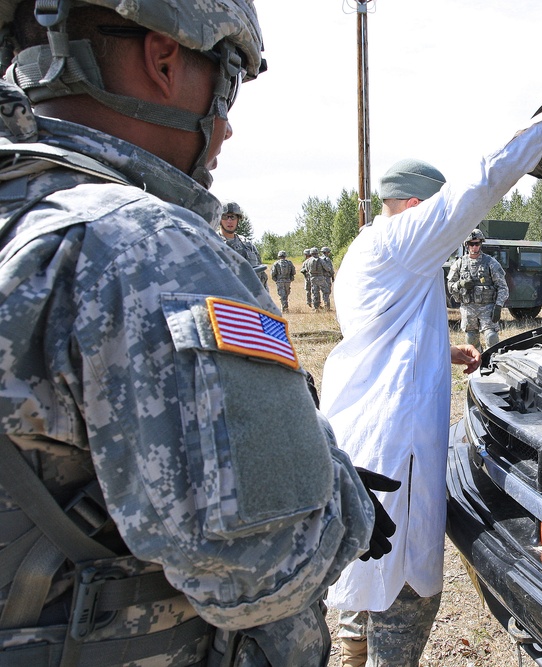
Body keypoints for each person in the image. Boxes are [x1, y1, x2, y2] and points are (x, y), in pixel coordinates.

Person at [0, 1, 395, 664]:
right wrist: (343, 499)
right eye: (229, 79)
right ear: (163, 59)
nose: (229, 126)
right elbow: (263, 571)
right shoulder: (143, 246)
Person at [320, 63, 542, 667]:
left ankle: (354, 652)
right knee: (405, 592)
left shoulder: (370, 248)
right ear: (411, 205)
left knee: (365, 574)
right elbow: (481, 182)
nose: (445, 222)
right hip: (392, 438)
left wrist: (442, 349)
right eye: (433, 209)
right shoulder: (402, 239)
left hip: (363, 425)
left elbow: (383, 333)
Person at [448, 228, 509, 350]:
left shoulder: (490, 262)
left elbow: (503, 287)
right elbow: (450, 286)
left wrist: (498, 306)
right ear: (467, 245)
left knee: (491, 338)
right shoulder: (459, 264)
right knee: (471, 340)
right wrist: (460, 284)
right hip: (468, 308)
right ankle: (477, 363)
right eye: (472, 244)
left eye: (477, 243)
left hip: (487, 308)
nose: (474, 247)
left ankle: (492, 361)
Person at [219, 200, 267, 288]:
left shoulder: (248, 246)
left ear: (238, 219)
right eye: (225, 217)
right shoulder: (212, 243)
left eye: (233, 217)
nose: (229, 221)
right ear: (219, 219)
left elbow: (262, 277)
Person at [311, 246, 336, 312]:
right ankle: (327, 307)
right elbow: (329, 269)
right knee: (326, 292)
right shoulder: (326, 259)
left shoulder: (314, 259)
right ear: (327, 252)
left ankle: (317, 307)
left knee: (315, 292)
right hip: (325, 277)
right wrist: (332, 276)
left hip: (315, 278)